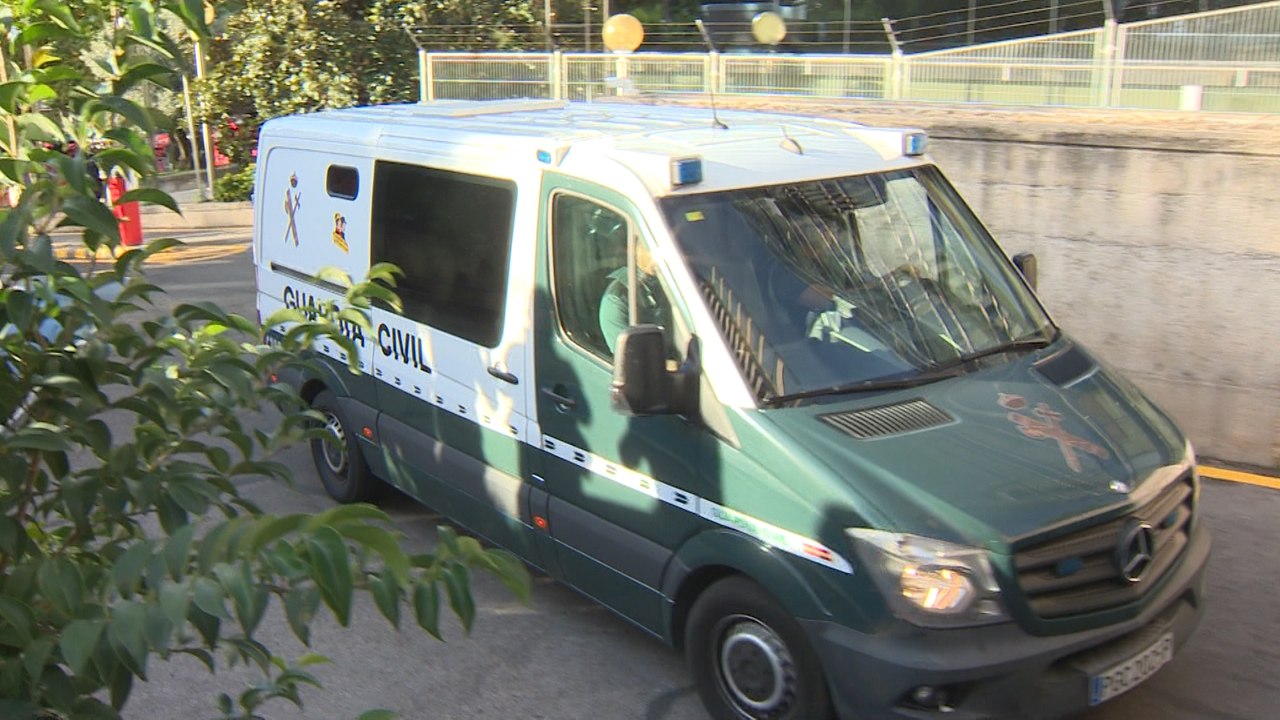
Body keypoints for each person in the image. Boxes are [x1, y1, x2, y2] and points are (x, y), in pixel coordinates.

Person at [599, 241, 671, 356]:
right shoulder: (616, 299)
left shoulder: (675, 282)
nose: (656, 256)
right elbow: (631, 358)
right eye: (649, 248)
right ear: (632, 250)